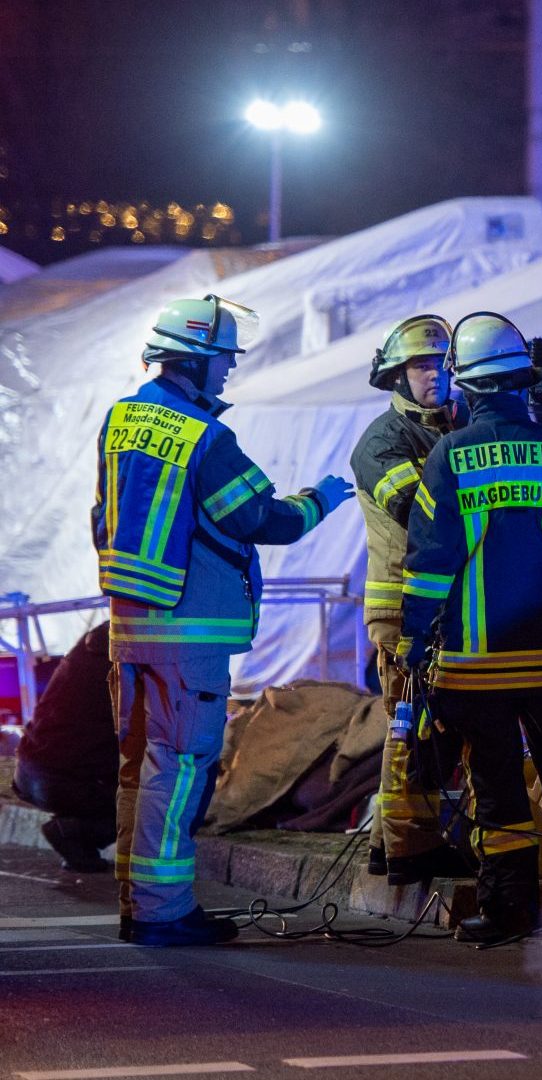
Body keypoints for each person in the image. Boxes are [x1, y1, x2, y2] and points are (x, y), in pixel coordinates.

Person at [93, 295, 352, 946]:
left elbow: (104, 516)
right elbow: (262, 518)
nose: (228, 374)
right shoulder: (206, 438)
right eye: (224, 363)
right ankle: (162, 913)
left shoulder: (120, 420)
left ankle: (137, 900)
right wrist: (323, 497)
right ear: (197, 360)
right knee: (180, 770)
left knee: (139, 766)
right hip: (190, 633)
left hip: (130, 627)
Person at [398, 311, 542, 944]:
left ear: (463, 383)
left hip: (477, 665)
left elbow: (431, 563)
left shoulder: (451, 454)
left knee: (497, 790)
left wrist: (413, 643)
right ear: (525, 382)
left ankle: (508, 911)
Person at [349, 314, 464, 885]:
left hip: (448, 603)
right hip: (403, 609)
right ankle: (410, 851)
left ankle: (387, 842)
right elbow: (421, 513)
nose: (435, 375)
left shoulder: (455, 426)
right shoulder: (382, 441)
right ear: (396, 374)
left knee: (431, 727)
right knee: (410, 724)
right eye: (421, 364)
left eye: (443, 363)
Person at [12, 624, 115, 872]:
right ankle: (73, 831)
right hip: (63, 778)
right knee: (152, 804)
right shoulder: (123, 663)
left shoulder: (87, 650)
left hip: (29, 772)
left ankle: (78, 846)